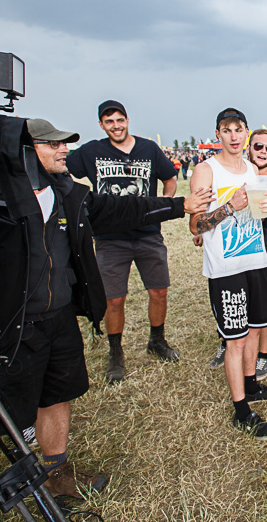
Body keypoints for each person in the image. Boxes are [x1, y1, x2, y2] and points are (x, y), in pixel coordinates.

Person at [0, 118, 212, 521]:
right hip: (6, 331)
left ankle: (58, 480)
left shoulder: (66, 192)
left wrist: (179, 206)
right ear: (23, 150)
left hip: (59, 320)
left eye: (64, 144)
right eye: (51, 145)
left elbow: (120, 208)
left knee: (57, 400)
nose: (63, 150)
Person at [190, 109, 267, 441]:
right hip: (226, 268)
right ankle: (242, 411)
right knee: (236, 340)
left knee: (256, 330)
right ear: (218, 133)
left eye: (239, 129)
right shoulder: (205, 171)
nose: (233, 136)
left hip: (257, 261)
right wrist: (230, 205)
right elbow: (195, 225)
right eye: (226, 130)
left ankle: (252, 386)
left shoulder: (253, 170)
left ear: (245, 133)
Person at [67, 100, 181, 383]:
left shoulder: (148, 149)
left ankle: (157, 340)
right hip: (109, 236)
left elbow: (170, 176)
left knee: (158, 291)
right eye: (109, 122)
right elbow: (63, 165)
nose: (116, 126)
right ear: (101, 125)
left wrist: (164, 202)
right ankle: (115, 352)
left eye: (120, 120)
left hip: (148, 233)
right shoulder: (92, 151)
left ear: (127, 120)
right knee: (114, 298)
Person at [208, 129, 267, 375]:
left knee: (262, 308)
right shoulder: (237, 172)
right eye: (258, 146)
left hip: (258, 250)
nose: (263, 152)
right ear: (249, 146)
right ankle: (227, 344)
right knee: (232, 306)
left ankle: (263, 355)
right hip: (229, 250)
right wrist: (200, 230)